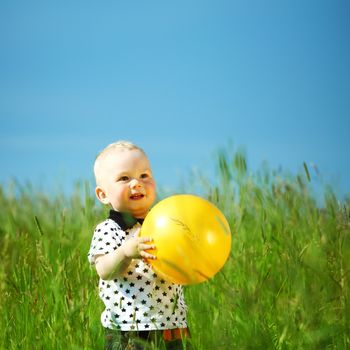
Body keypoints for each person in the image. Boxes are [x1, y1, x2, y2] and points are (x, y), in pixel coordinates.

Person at [88, 141, 190, 350]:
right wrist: (125, 252)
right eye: (124, 178)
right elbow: (104, 270)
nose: (137, 183)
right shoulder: (109, 229)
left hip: (173, 324)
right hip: (128, 329)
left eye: (144, 175)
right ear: (103, 194)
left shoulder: (167, 224)